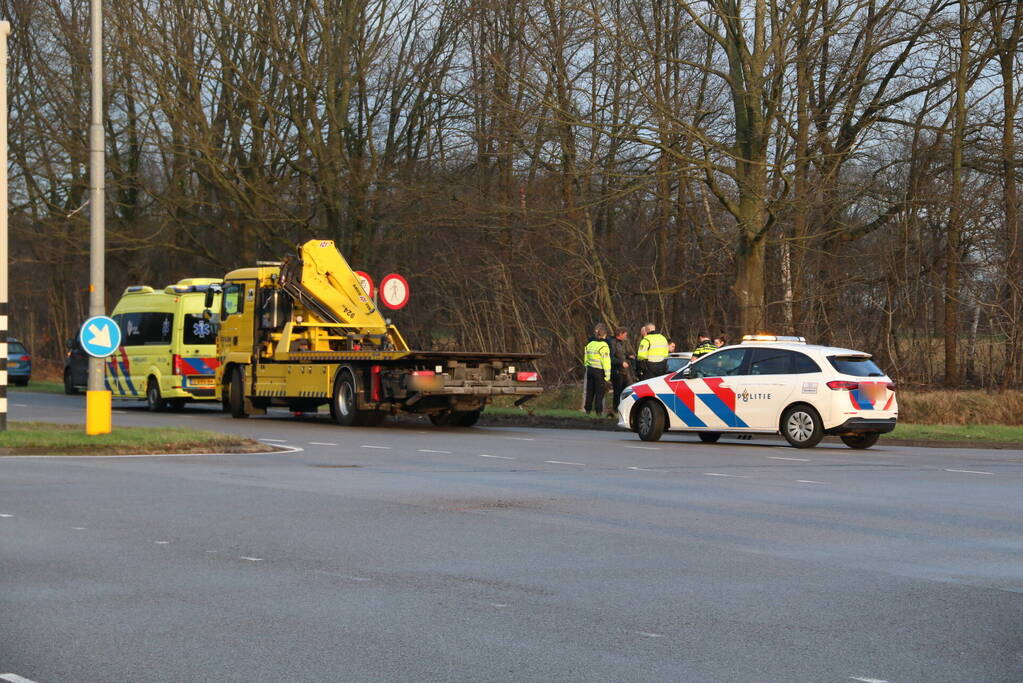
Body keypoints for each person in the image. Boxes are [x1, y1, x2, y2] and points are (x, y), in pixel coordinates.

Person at [582, 323, 611, 415]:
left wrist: (587, 365)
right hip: (599, 371)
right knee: (599, 392)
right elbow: (606, 362)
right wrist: (607, 376)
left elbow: (586, 356)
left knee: (590, 391)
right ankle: (598, 412)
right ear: (604, 335)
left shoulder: (590, 344)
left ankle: (587, 410)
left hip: (590, 369)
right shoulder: (604, 346)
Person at [608, 326, 634, 415]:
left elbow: (622, 354)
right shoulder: (612, 343)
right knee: (617, 392)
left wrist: (628, 357)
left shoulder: (622, 343)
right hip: (617, 372)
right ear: (620, 334)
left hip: (624, 372)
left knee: (628, 391)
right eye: (625, 335)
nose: (626, 336)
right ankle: (615, 410)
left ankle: (625, 410)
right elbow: (610, 358)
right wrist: (621, 362)